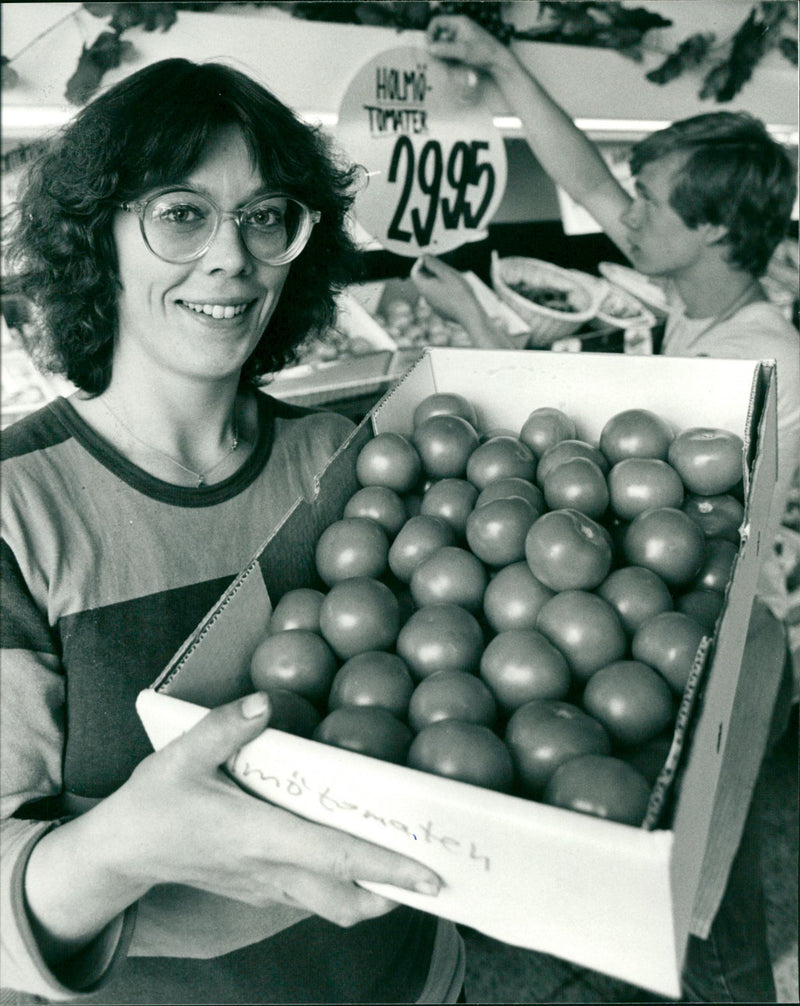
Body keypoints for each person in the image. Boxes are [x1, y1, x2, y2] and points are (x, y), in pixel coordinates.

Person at [0, 58, 466, 1004]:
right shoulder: (18, 512)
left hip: (408, 977)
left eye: (266, 217)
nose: (232, 256)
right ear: (102, 241)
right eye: (181, 213)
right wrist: (122, 846)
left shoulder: (342, 459)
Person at [421, 13, 800, 1004]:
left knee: (704, 915)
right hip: (659, 630)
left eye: (649, 200)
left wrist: (483, 333)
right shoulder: (695, 305)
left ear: (712, 227)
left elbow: (630, 486)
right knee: (642, 885)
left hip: (722, 660)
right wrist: (499, 64)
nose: (622, 211)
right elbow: (586, 176)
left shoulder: (763, 365)